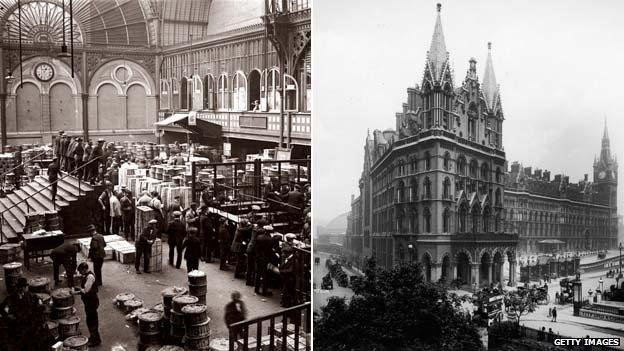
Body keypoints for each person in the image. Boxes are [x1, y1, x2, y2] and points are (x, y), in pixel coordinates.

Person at [0, 277, 49, 350]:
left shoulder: (31, 296)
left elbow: (39, 304)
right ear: (20, 287)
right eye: (23, 287)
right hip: (19, 324)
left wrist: (40, 306)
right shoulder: (12, 298)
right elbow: (5, 309)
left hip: (30, 322)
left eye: (24, 287)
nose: (24, 288)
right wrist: (10, 316)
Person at [74, 262, 101, 346]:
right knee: (90, 320)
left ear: (84, 269)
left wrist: (75, 292)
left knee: (92, 320)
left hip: (91, 301)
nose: (80, 273)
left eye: (80, 271)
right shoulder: (86, 275)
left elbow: (86, 291)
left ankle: (95, 340)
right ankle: (93, 337)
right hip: (89, 301)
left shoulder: (90, 277)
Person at [255, 227, 273, 296]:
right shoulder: (270, 240)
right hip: (265, 259)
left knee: (258, 274)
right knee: (265, 275)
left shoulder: (259, 237)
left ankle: (256, 289)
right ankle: (264, 291)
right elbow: (270, 251)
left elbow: (256, 248)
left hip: (259, 257)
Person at [280, 233, 297, 307]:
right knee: (287, 286)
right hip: (287, 269)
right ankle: (286, 302)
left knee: (286, 286)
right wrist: (295, 246)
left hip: (285, 269)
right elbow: (290, 249)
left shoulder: (284, 244)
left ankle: (284, 301)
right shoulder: (288, 247)